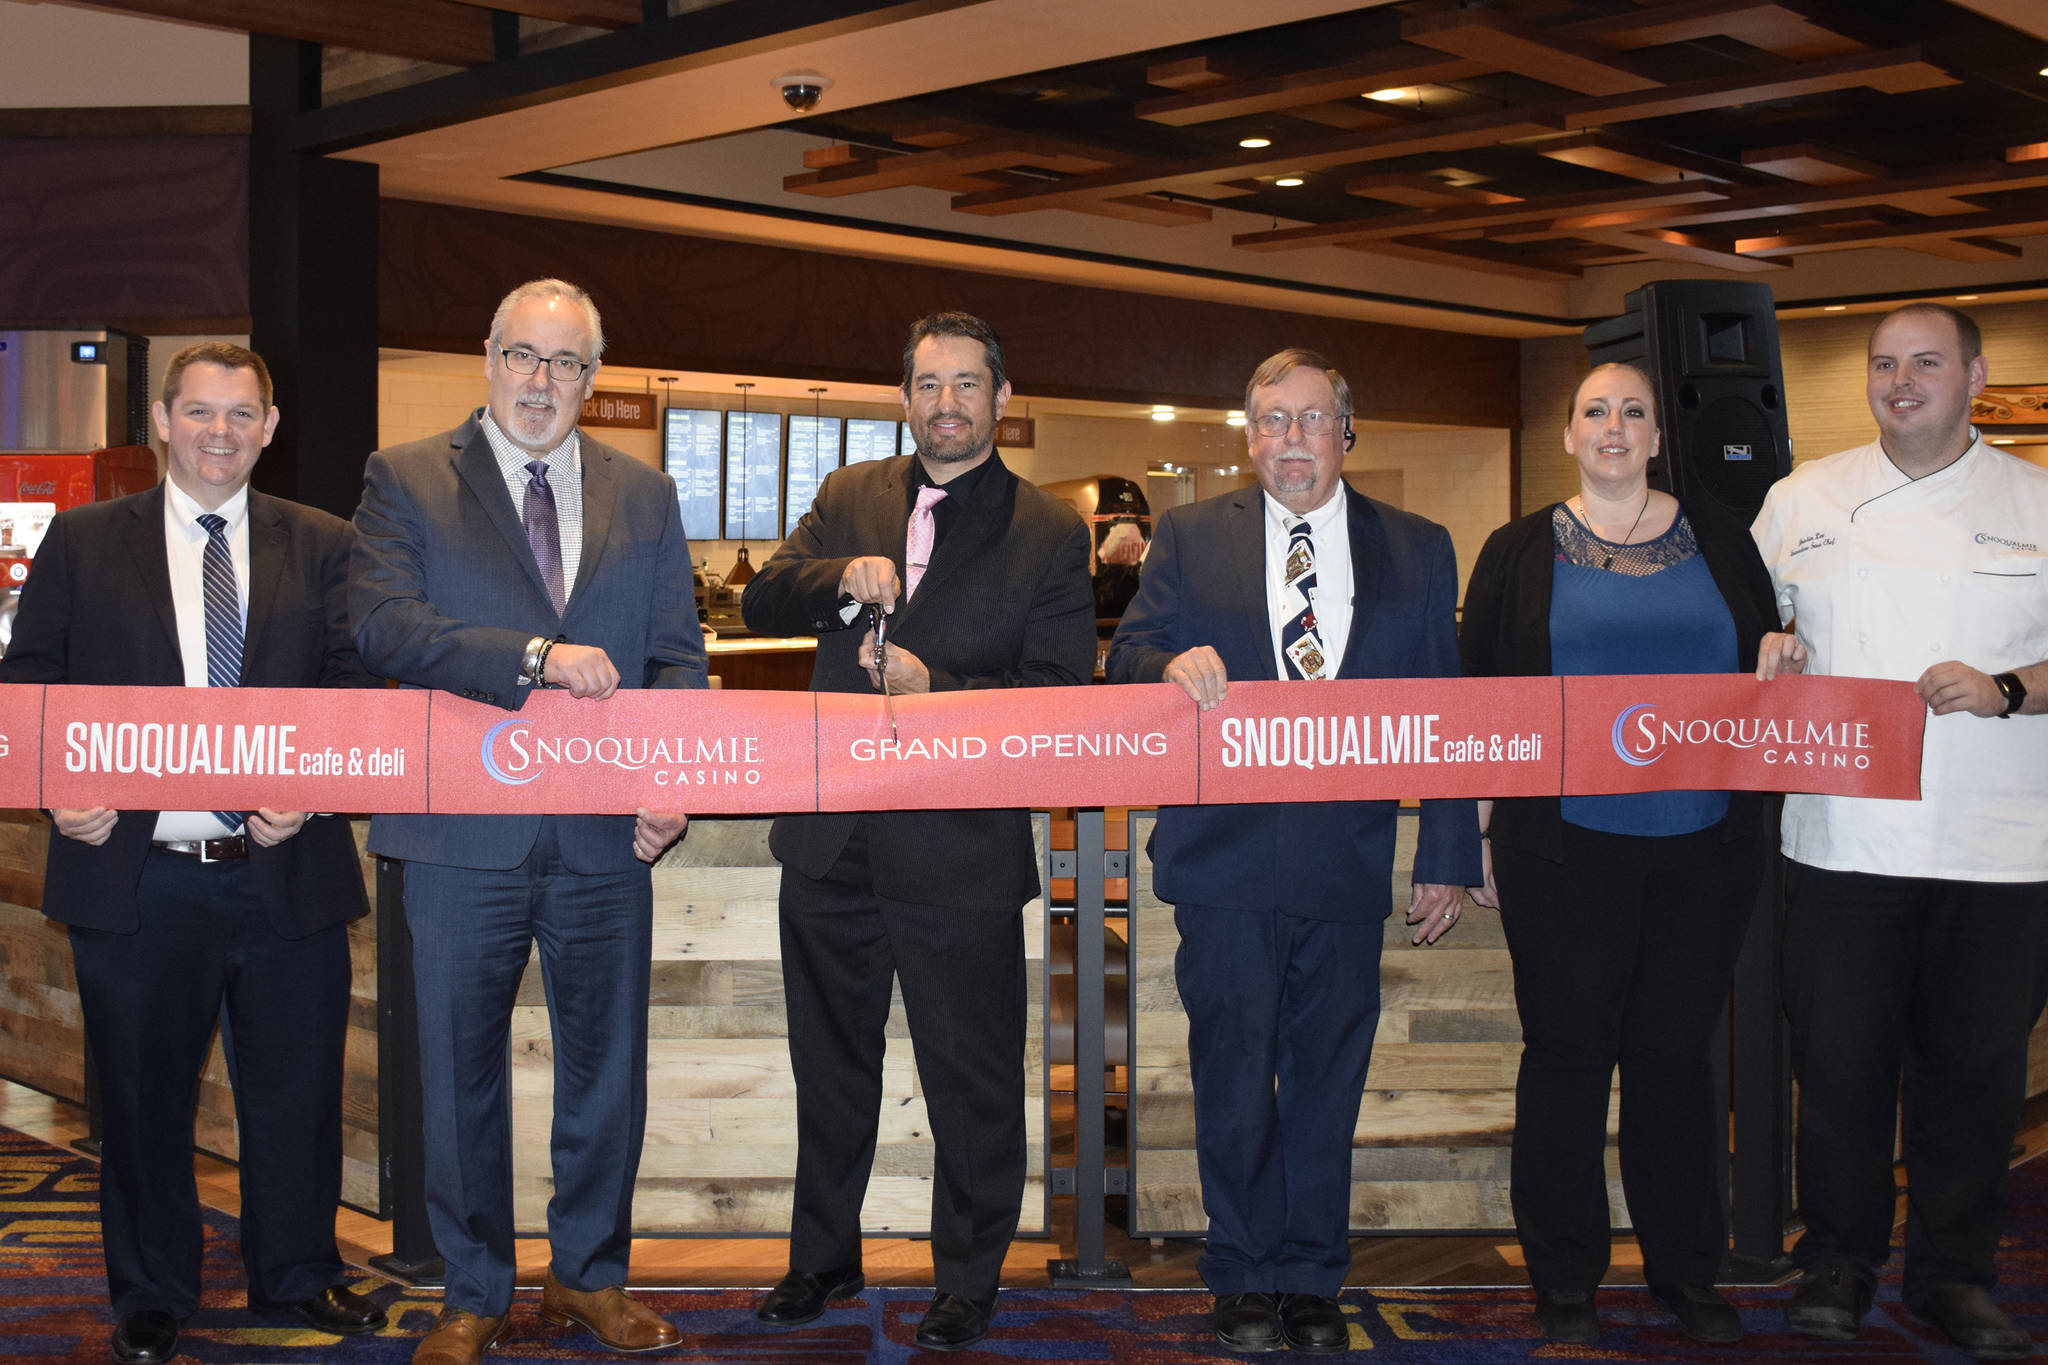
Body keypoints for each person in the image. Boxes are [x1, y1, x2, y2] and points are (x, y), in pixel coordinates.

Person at [0, 342, 386, 1364]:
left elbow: (355, 692)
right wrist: (52, 788)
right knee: (136, 1099)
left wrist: (305, 786)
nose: (221, 431)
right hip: (137, 879)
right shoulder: (83, 542)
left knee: (296, 1096)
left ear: (269, 428)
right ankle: (151, 1294)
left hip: (284, 877)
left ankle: (299, 1276)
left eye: (242, 414)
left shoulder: (325, 543)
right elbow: (29, 686)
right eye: (201, 412)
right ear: (164, 422)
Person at [350, 279, 705, 1365]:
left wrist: (670, 780)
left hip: (605, 838)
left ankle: (589, 1279)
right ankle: (472, 1292)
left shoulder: (642, 492)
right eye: (523, 357)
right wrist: (535, 660)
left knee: (607, 1069)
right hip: (460, 836)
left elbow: (676, 656)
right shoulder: (404, 476)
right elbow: (383, 625)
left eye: (565, 364)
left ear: (592, 380)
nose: (541, 382)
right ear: (488, 359)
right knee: (457, 1072)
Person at [1106, 348, 1480, 1355]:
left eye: (1309, 420)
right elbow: (1123, 653)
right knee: (1231, 1073)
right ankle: (1239, 1274)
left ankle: (1310, 1276)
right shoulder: (1187, 538)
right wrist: (1162, 660)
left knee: (1324, 1080)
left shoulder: (1416, 546)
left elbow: (1441, 707)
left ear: (1344, 433)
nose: (1289, 440)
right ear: (1248, 437)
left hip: (1347, 861)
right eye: (1269, 421)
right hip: (1221, 861)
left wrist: (1447, 848)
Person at [740, 311, 1093, 1352]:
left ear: (999, 399)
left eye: (966, 386)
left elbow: (1059, 699)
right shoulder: (850, 495)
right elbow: (764, 600)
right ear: (904, 398)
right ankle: (821, 1260)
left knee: (971, 1081)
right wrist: (835, 575)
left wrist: (936, 689)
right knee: (830, 1070)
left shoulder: (1045, 529)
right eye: (927, 385)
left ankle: (968, 1281)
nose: (946, 403)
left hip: (960, 852)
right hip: (831, 847)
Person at [1459, 363, 1781, 1346]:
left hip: (1703, 847)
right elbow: (1480, 702)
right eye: (1594, 410)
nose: (1612, 426)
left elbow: (1768, 663)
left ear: (1653, 436)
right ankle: (1563, 1281)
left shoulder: (1725, 542)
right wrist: (1470, 827)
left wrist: (1782, 656)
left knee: (1673, 1061)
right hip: (1560, 850)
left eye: (1631, 411)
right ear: (1567, 433)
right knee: (1563, 1058)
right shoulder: (1516, 551)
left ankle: (1685, 1274)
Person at [1752, 303, 2048, 1362]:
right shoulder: (1800, 499)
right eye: (1883, 363)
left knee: (1970, 1079)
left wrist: (2009, 686)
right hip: (1839, 845)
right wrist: (1769, 652)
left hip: (1999, 848)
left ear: (1973, 374)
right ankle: (1834, 1261)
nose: (1899, 380)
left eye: (1924, 361)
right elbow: (1753, 631)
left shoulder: (2035, 499)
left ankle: (1953, 1278)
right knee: (1835, 1071)